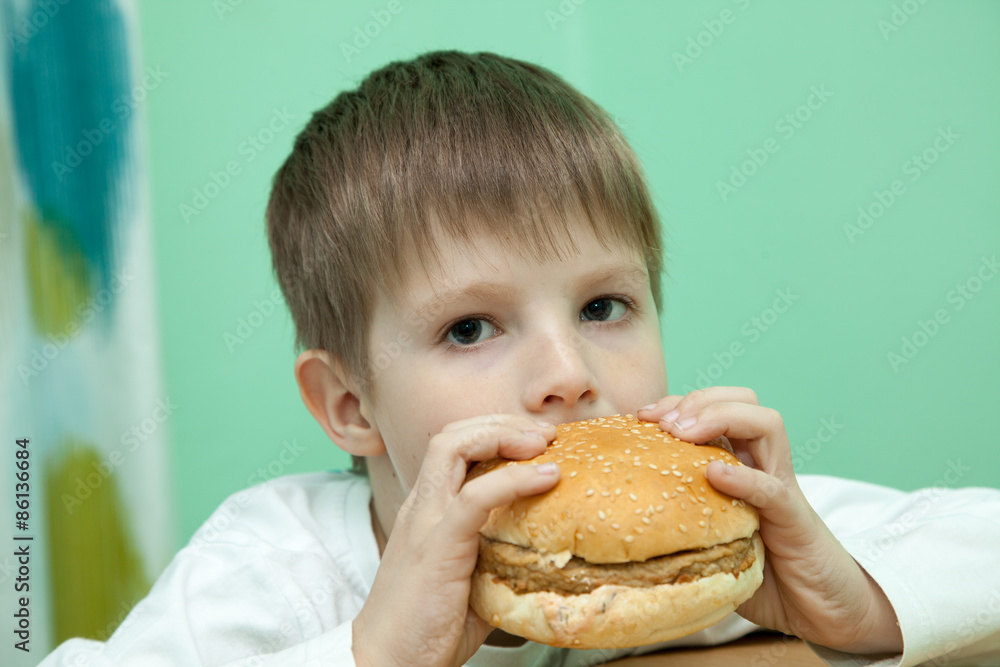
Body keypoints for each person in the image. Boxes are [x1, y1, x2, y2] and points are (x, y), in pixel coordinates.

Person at [40, 50, 1000, 667]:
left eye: (604, 305)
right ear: (349, 404)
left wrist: (855, 599)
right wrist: (369, 655)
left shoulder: (698, 531)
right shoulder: (280, 565)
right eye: (469, 328)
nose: (568, 371)